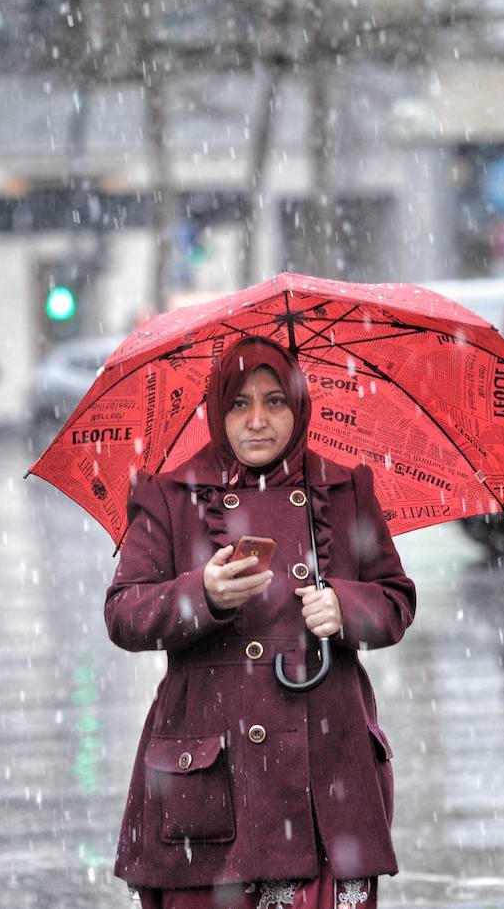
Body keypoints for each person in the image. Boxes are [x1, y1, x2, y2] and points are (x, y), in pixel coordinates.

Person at [105, 335, 416, 909]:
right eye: (238, 404)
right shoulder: (169, 495)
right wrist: (202, 595)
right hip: (214, 772)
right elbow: (124, 613)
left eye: (275, 401)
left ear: (298, 407)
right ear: (215, 410)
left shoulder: (343, 487)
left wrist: (346, 607)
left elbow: (396, 600)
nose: (257, 421)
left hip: (327, 768)